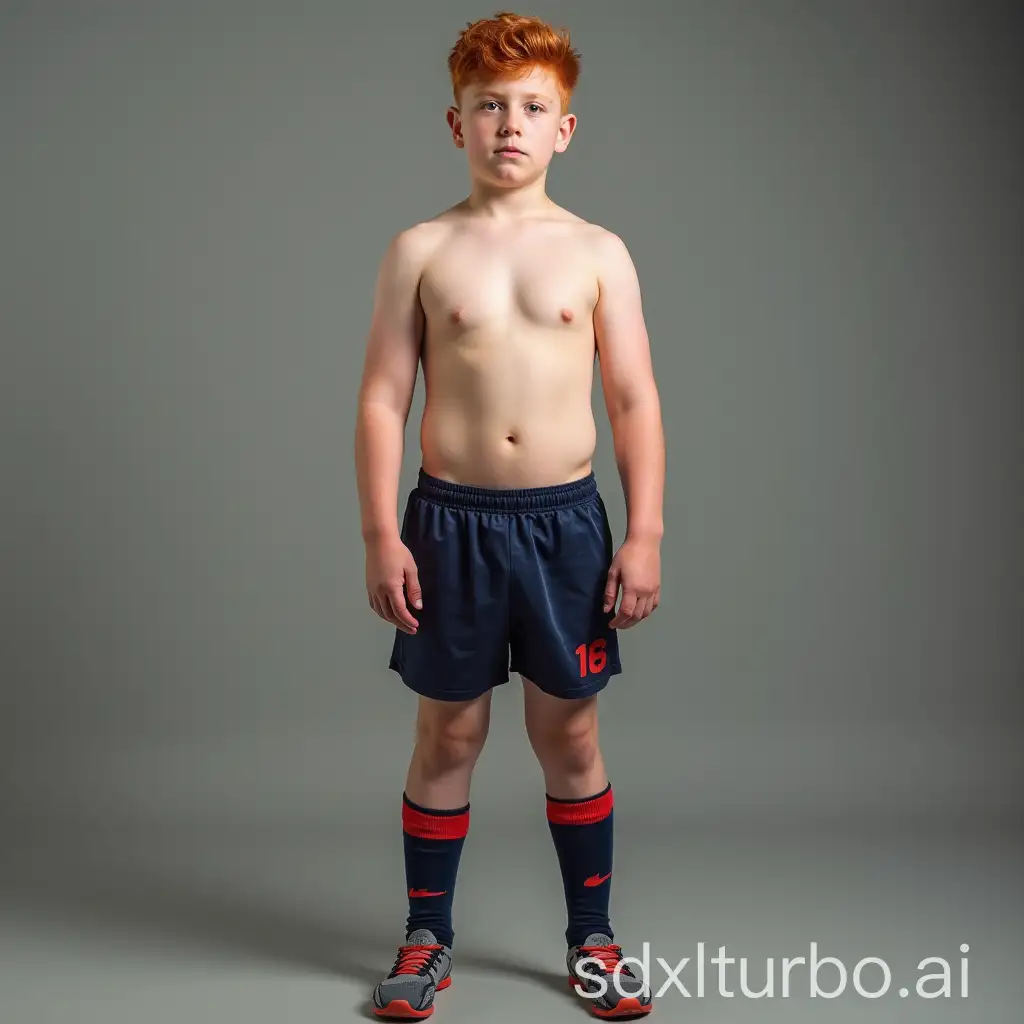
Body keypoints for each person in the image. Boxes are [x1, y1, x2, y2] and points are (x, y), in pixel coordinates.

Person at [354, 10, 665, 1019]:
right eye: (489, 107)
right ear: (457, 124)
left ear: (564, 128)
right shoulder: (420, 249)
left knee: (569, 736)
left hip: (565, 528)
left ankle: (593, 940)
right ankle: (423, 939)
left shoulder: (598, 253)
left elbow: (632, 401)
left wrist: (645, 531)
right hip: (450, 526)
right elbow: (380, 399)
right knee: (448, 732)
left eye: (533, 107)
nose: (510, 126)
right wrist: (379, 532)